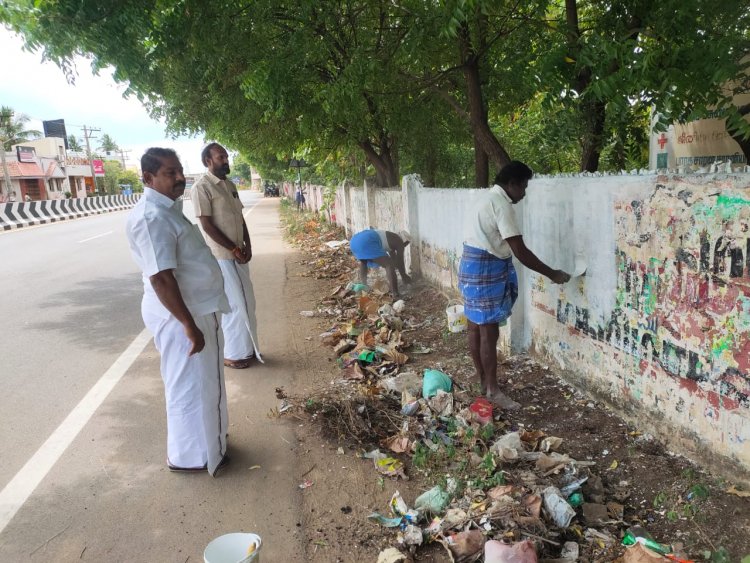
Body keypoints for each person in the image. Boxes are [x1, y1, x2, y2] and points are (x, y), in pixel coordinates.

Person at [126, 147, 229, 476]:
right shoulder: (151, 217)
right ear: (149, 178)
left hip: (197, 310)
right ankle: (190, 456)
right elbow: (160, 277)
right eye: (170, 173)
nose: (180, 177)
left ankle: (211, 442)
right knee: (187, 387)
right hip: (182, 316)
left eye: (180, 171)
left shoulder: (168, 209)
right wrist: (188, 325)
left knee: (206, 381)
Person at [458, 161, 570, 410]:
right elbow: (520, 251)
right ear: (512, 184)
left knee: (475, 327)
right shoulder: (501, 205)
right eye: (524, 187)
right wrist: (552, 273)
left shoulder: (483, 199)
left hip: (469, 264)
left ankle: (483, 380)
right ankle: (493, 390)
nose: (525, 193)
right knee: (488, 331)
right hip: (486, 268)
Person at [192, 143, 262, 369]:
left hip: (239, 253)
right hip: (222, 256)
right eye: (220, 157)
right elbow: (207, 225)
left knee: (247, 301)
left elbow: (240, 218)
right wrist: (233, 248)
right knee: (234, 304)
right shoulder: (201, 187)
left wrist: (247, 245)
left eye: (226, 156)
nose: (225, 160)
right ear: (208, 161)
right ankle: (233, 354)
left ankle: (248, 350)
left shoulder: (230, 185)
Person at [350, 228, 412, 296]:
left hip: (354, 242)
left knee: (364, 261)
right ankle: (395, 294)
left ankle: (364, 285)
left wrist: (396, 270)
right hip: (367, 241)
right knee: (388, 264)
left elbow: (394, 259)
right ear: (404, 240)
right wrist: (404, 276)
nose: (405, 246)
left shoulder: (391, 238)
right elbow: (400, 260)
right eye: (406, 244)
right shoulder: (399, 241)